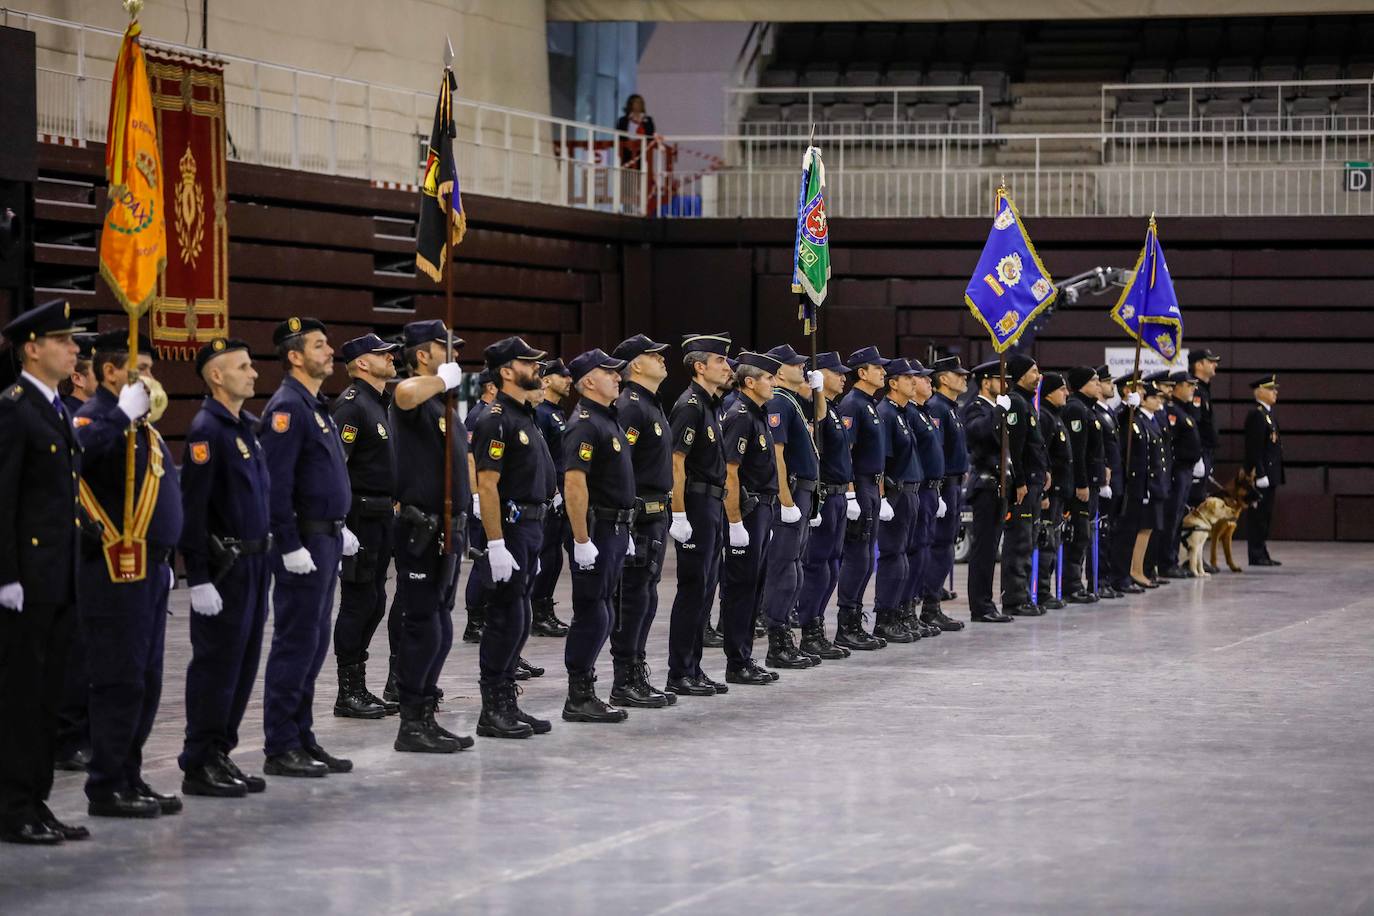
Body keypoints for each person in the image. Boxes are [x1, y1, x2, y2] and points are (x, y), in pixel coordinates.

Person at [73, 330, 183, 818]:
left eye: (153, 370)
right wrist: (121, 415)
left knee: (147, 679)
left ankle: (129, 776)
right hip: (112, 569)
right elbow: (76, 451)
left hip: (151, 570)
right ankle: (106, 784)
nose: (150, 379)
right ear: (111, 371)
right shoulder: (96, 416)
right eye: (141, 369)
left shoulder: (142, 426)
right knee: (118, 678)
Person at [0, 300, 89, 844]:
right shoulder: (14, 408)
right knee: (21, 700)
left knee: (49, 697)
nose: (75, 349)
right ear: (32, 348)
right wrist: (5, 574)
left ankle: (37, 801)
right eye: (64, 340)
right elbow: (2, 499)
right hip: (26, 582)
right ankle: (13, 808)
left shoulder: (53, 407)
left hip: (58, 576)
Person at [258, 317, 356, 778]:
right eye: (319, 345)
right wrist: (290, 542)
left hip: (326, 537)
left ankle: (302, 735)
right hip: (304, 542)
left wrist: (340, 525)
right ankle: (281, 744)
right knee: (296, 642)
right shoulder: (287, 408)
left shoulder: (314, 405)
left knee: (315, 642)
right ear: (294, 356)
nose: (329, 351)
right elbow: (275, 486)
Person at [178, 338, 272, 798]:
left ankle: (220, 752)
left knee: (243, 664)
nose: (253, 373)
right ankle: (199, 761)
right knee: (216, 666)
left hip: (254, 564)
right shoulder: (206, 430)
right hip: (224, 568)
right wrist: (196, 576)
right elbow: (192, 510)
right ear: (217, 376)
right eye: (243, 366)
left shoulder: (243, 428)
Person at [390, 321, 473, 753]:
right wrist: (440, 380)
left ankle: (425, 713)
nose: (454, 355)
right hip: (420, 530)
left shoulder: (442, 403)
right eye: (446, 348)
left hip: (449, 528)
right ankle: (411, 722)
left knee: (440, 624)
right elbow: (402, 393)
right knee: (423, 625)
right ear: (424, 355)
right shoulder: (413, 395)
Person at [471, 336, 557, 739]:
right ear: (507, 371)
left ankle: (508, 699)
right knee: (505, 617)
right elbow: (486, 485)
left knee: (520, 617)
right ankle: (493, 708)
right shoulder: (495, 418)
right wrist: (495, 543)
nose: (536, 368)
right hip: (510, 526)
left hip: (531, 527)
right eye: (528, 362)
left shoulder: (525, 416)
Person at [560, 348, 636, 721]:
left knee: (605, 611)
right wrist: (580, 539)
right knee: (592, 612)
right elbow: (575, 484)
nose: (618, 378)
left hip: (616, 526)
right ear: (589, 380)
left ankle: (587, 690)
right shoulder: (585, 423)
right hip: (598, 527)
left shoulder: (609, 420)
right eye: (610, 373)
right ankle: (579, 695)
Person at [330, 334, 401, 720]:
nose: (391, 357)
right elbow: (336, 467)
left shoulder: (381, 404)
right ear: (360, 363)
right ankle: (348, 691)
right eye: (381, 354)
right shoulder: (352, 407)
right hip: (359, 516)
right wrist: (341, 523)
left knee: (375, 601)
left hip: (382, 515)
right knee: (359, 602)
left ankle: (361, 684)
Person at [608, 334, 676, 708]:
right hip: (638, 515)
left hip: (654, 513)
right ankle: (625, 678)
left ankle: (636, 670)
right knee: (632, 598)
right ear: (636, 364)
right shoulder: (631, 406)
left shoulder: (650, 404)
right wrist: (629, 521)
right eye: (654, 355)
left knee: (646, 596)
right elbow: (622, 465)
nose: (662, 360)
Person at [665, 333, 732, 697]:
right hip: (696, 504)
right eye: (721, 361)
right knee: (692, 590)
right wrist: (679, 513)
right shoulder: (690, 405)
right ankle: (679, 672)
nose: (727, 366)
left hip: (712, 505)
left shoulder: (710, 405)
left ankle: (693, 667)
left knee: (705, 590)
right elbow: (676, 463)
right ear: (700, 366)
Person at [718, 352, 785, 685]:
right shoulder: (741, 416)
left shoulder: (758, 414)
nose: (774, 382)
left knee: (754, 587)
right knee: (742, 588)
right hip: (747, 511)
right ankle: (736, 661)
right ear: (750, 382)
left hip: (762, 509)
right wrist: (735, 523)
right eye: (769, 378)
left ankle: (745, 656)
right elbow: (730, 473)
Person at [759, 344, 824, 669]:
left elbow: (820, 416)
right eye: (796, 365)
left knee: (795, 567)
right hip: (792, 493)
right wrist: (785, 498)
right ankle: (777, 640)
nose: (803, 369)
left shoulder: (791, 400)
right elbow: (777, 453)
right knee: (784, 569)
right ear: (779, 371)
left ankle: (786, 636)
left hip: (804, 493)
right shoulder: (779, 403)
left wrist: (817, 391)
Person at [53, 329, 98, 773]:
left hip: (98, 551)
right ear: (81, 380)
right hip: (71, 548)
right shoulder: (72, 418)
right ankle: (68, 737)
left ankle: (84, 731)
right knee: (74, 649)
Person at [793, 351, 854, 660]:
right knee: (817, 566)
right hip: (825, 494)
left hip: (840, 495)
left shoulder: (834, 409)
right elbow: (813, 427)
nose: (844, 377)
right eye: (837, 372)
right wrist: (814, 391)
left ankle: (818, 626)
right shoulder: (816, 409)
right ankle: (809, 631)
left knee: (832, 565)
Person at [834, 346, 892, 649]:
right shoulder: (852, 405)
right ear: (863, 373)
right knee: (857, 557)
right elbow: (847, 452)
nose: (883, 372)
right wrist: (851, 494)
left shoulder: (869, 403)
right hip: (859, 485)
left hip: (872, 485)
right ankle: (847, 623)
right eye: (877, 368)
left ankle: (855, 617)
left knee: (868, 557)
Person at [873, 358, 923, 644]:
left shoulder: (903, 413)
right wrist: (883, 497)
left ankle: (900, 612)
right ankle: (885, 617)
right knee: (893, 556)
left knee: (905, 556)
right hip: (897, 492)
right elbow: (881, 460)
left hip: (911, 493)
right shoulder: (887, 414)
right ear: (893, 383)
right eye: (907, 378)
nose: (913, 382)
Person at [961, 360, 1013, 622]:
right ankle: (980, 606)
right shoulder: (976, 408)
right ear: (986, 382)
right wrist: (998, 414)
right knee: (982, 550)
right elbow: (977, 434)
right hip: (985, 485)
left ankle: (987, 603)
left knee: (992, 550)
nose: (1005, 385)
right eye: (1000, 379)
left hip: (1000, 484)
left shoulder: (995, 409)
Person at [920, 357, 968, 631]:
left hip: (953, 483)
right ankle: (929, 604)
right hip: (943, 484)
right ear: (943, 378)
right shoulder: (937, 407)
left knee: (946, 545)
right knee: (939, 546)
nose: (963, 378)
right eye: (957, 374)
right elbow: (935, 452)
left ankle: (933, 602)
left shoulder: (950, 408)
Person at [999, 354, 1046, 616]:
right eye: (1033, 371)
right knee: (1019, 542)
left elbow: (1035, 444)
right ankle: (1014, 598)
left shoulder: (1028, 403)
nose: (1038, 376)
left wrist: (1045, 471)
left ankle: (1024, 593)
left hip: (1034, 483)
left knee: (1029, 541)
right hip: (1023, 486)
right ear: (1019, 376)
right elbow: (1014, 449)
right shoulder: (1016, 403)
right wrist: (1019, 481)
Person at [531, 359, 573, 638]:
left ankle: (546, 608)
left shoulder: (557, 412)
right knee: (547, 556)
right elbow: (541, 457)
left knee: (555, 557)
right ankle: (538, 612)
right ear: (546, 381)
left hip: (563, 493)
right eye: (563, 376)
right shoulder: (542, 414)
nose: (569, 380)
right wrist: (551, 492)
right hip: (551, 494)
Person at [904, 359, 945, 637]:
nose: (929, 382)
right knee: (908, 552)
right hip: (910, 489)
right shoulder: (906, 412)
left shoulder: (922, 412)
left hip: (929, 489)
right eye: (922, 378)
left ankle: (911, 611)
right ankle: (901, 611)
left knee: (923, 552)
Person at [1112, 380, 1167, 591]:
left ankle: (1134, 572)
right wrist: (1127, 407)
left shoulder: (1142, 420)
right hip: (1132, 484)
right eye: (1141, 389)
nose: (1144, 393)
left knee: (1141, 529)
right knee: (1127, 532)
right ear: (1128, 391)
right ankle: (1129, 573)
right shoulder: (1129, 416)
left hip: (1146, 484)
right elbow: (1122, 432)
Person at [459, 369, 498, 646]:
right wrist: (474, 495)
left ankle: (485, 617)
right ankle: (474, 623)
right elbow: (470, 459)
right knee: (482, 559)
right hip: (480, 497)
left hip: (493, 496)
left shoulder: (494, 413)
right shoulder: (478, 415)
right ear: (491, 388)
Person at [1062, 367, 1105, 603]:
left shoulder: (1089, 409)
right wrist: (1081, 483)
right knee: (1078, 536)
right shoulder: (1076, 409)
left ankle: (1076, 583)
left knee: (1084, 535)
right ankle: (1071, 585)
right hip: (1082, 484)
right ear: (1082, 385)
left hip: (1093, 481)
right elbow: (1077, 452)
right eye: (1094, 381)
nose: (1098, 385)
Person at [1035, 373, 1073, 610]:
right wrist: (1044, 494)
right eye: (1061, 389)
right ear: (1048, 392)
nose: (1066, 393)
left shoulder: (1055, 417)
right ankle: (1041, 590)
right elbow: (1043, 457)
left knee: (1054, 540)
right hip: (1051, 491)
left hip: (1060, 492)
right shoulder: (1046, 418)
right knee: (1046, 541)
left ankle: (1046, 589)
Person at [1163, 371, 1205, 579]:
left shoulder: (1184, 411)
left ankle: (1172, 559)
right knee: (1172, 517)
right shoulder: (1171, 411)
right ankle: (1167, 562)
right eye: (1189, 385)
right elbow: (1170, 443)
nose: (1193, 389)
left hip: (1187, 470)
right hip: (1178, 470)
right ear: (1177, 387)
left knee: (1179, 516)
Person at [1244, 374, 1284, 566]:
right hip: (1262, 475)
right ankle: (1256, 553)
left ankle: (1262, 551)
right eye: (1271, 389)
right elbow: (1254, 448)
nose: (1275, 392)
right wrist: (1259, 473)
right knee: (1258, 516)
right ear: (1260, 392)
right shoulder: (1257, 415)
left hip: (1271, 474)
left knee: (1266, 516)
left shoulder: (1268, 415)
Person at [1094, 366, 1125, 599]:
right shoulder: (1094, 412)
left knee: (1111, 531)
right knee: (1101, 533)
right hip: (1103, 481)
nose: (1111, 386)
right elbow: (1098, 447)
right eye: (1107, 382)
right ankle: (1098, 579)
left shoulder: (1109, 412)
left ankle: (1108, 577)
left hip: (1115, 480)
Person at [1188, 348, 1221, 513]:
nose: (1215, 364)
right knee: (1194, 501)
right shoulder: (1195, 390)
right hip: (1198, 453)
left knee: (1200, 497)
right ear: (1199, 365)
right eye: (1210, 361)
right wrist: (1197, 456)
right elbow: (1193, 425)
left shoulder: (1204, 389)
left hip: (1206, 453)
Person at [615, 94, 657, 168]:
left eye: (639, 102)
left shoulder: (648, 120)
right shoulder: (623, 120)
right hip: (627, 152)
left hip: (643, 153)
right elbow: (619, 136)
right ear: (630, 104)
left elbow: (651, 135)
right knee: (627, 174)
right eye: (635, 102)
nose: (637, 105)